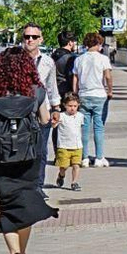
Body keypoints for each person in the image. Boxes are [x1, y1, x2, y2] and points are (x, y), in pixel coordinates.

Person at [0, 47, 58, 254]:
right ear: (27, 67)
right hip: (29, 156)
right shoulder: (36, 91)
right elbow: (45, 120)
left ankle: (14, 253)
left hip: (0, 158)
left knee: (6, 205)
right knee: (25, 205)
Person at [20, 24, 62, 188]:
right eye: (26, 36)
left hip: (41, 112)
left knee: (40, 151)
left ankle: (37, 186)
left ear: (40, 39)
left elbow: (52, 88)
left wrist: (56, 108)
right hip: (19, 113)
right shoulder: (15, 60)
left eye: (34, 37)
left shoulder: (47, 62)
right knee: (20, 151)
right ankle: (23, 186)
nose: (30, 40)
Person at [72, 31, 113, 167]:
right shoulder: (103, 59)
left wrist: (75, 93)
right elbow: (107, 76)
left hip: (83, 95)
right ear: (98, 44)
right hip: (99, 95)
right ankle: (99, 157)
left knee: (84, 128)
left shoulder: (79, 59)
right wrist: (110, 90)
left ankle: (84, 157)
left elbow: (75, 78)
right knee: (98, 127)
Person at [53, 95, 85, 191]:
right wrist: (54, 121)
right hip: (64, 146)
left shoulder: (80, 116)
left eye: (75, 106)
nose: (72, 108)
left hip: (77, 146)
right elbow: (54, 126)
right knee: (64, 166)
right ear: (65, 105)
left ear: (78, 105)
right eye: (70, 106)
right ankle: (61, 175)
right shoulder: (62, 116)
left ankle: (74, 182)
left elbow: (80, 128)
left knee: (76, 165)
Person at [51, 32, 79, 104]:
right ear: (70, 43)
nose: (75, 44)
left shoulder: (52, 55)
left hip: (53, 91)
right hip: (67, 93)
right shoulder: (71, 58)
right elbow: (71, 76)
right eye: (74, 41)